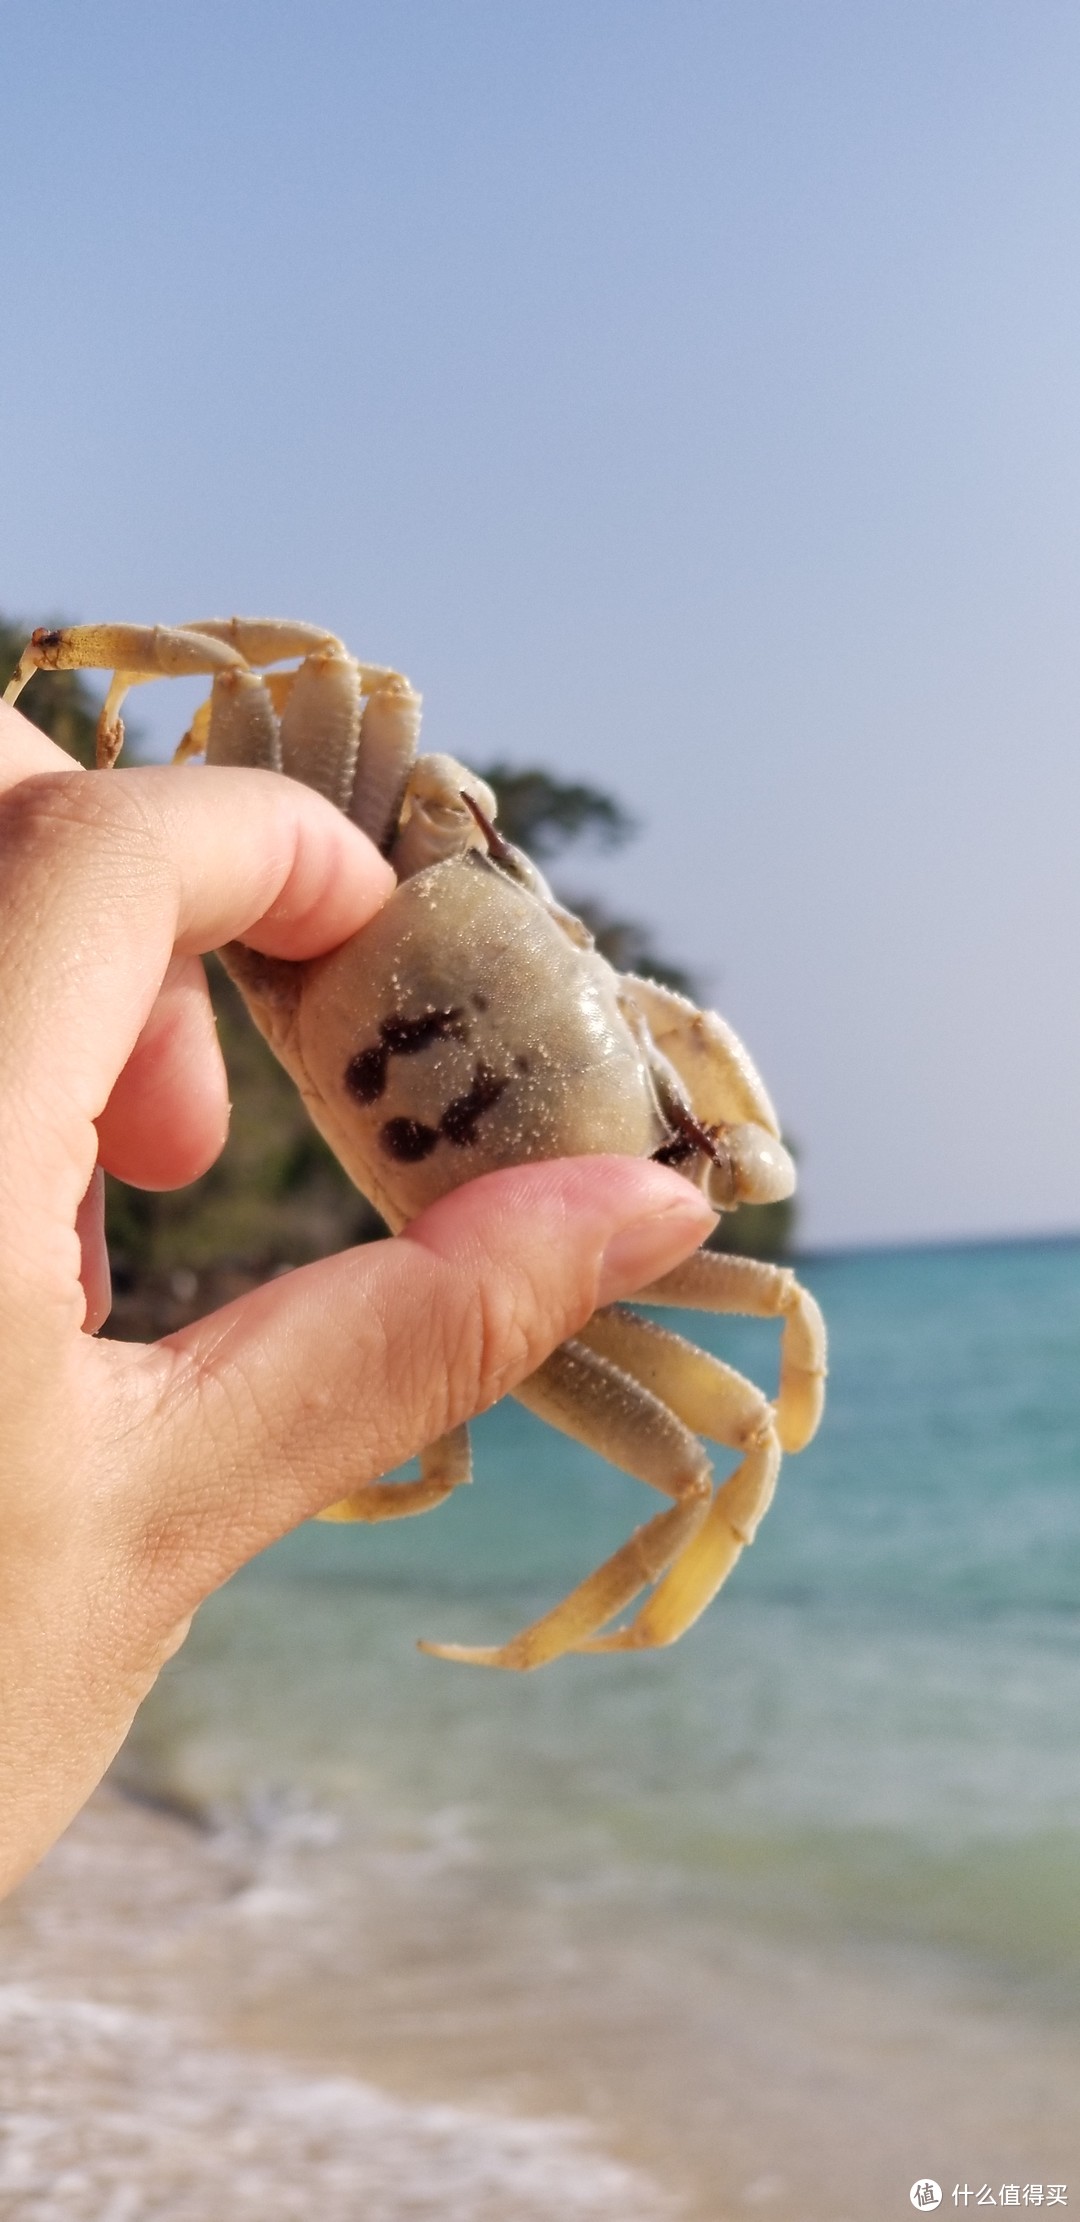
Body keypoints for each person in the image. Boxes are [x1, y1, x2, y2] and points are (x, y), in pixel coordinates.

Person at [0, 695, 715, 1898]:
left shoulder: (343, 877)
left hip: (305, 983)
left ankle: (569, 1635)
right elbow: (284, 680)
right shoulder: (372, 866)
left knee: (701, 1460)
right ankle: (568, 1636)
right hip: (340, 1008)